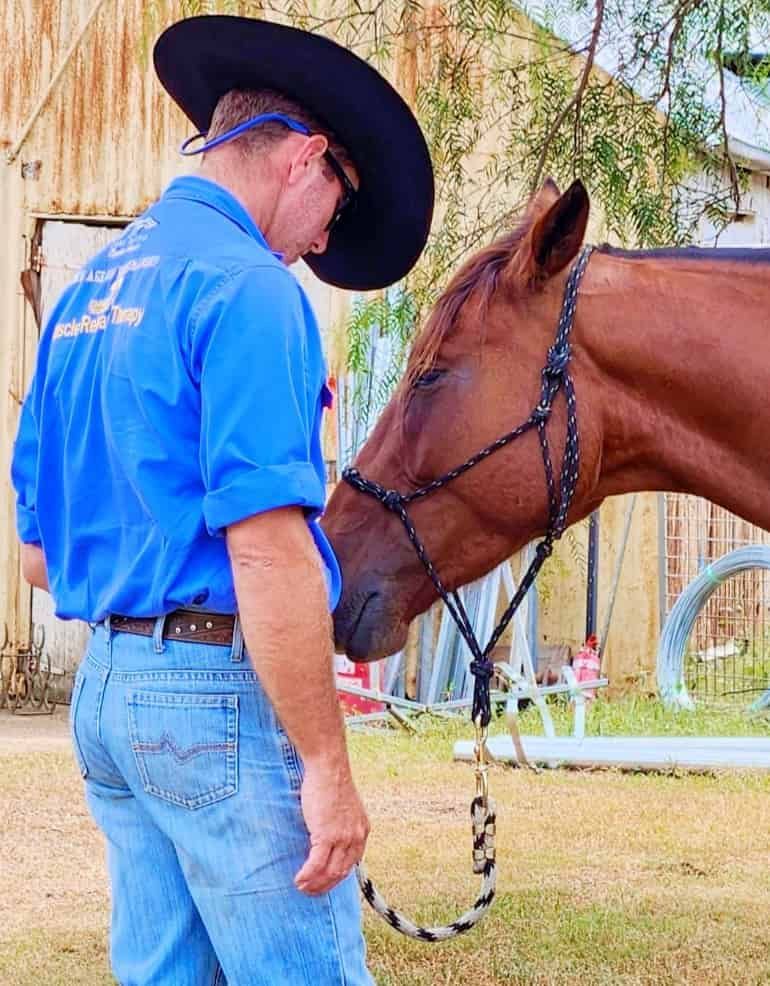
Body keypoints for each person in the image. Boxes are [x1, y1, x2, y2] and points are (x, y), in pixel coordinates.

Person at [10, 15, 433, 985]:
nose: (325, 240)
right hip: (209, 691)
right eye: (336, 208)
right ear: (306, 159)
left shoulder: (85, 294)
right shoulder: (246, 289)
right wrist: (326, 768)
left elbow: (37, 551)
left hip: (108, 692)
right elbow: (267, 550)